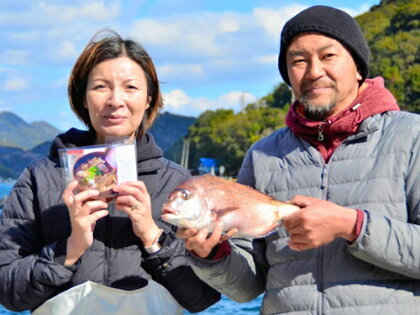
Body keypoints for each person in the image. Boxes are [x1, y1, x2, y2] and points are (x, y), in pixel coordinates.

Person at [178, 5, 420, 314]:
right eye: (298, 60)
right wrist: (212, 254)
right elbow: (246, 288)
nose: (314, 70)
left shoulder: (412, 137)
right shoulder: (264, 155)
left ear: (358, 67)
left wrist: (353, 226)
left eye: (328, 56)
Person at [0, 30, 220, 313]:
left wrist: (153, 238)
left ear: (149, 99)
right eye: (101, 86)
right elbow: (8, 292)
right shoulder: (39, 178)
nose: (116, 100)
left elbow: (204, 296)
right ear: (83, 98)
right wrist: (69, 250)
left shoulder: (179, 184)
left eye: (130, 87)